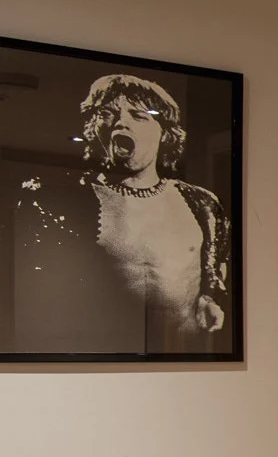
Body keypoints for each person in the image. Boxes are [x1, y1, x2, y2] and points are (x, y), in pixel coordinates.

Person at [11, 73, 232, 354]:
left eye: (139, 115)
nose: (121, 123)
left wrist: (211, 299)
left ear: (164, 133)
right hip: (94, 359)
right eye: (108, 113)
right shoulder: (65, 199)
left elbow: (216, 270)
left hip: (186, 359)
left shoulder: (202, 203)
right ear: (96, 128)